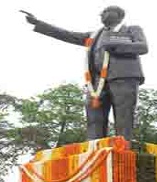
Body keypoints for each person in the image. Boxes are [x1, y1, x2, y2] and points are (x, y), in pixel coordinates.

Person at [23, 6, 148, 141]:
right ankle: (93, 147)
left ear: (118, 14)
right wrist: (38, 23)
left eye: (105, 11)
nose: (101, 14)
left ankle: (124, 145)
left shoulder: (131, 29)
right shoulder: (94, 35)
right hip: (96, 82)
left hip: (123, 77)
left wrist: (114, 45)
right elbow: (68, 35)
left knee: (124, 114)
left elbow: (142, 47)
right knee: (94, 116)